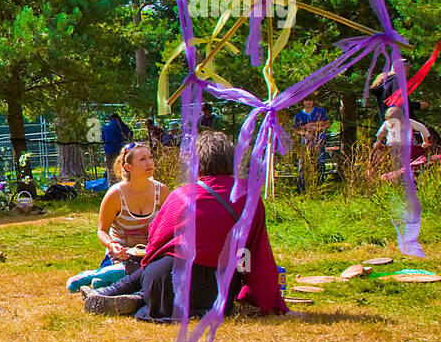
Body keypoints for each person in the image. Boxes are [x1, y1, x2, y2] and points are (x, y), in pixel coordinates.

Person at [82, 130, 287, 321]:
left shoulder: (181, 195)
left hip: (167, 286)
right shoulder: (248, 197)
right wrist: (265, 298)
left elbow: (156, 241)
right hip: (218, 291)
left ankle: (129, 295)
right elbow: (257, 251)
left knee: (159, 266)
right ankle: (134, 297)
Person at [95, 143, 167, 274]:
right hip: (122, 257)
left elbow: (170, 226)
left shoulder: (161, 191)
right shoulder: (115, 194)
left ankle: (101, 279)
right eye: (142, 159)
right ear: (128, 167)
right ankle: (98, 277)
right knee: (131, 274)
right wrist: (112, 245)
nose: (149, 163)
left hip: (151, 255)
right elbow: (102, 231)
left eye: (150, 157)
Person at [292, 95, 331, 189]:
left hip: (319, 141)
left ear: (313, 102)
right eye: (306, 101)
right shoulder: (299, 116)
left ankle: (320, 185)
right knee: (303, 163)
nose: (308, 103)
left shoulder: (320, 112)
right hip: (305, 143)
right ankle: (302, 187)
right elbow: (296, 130)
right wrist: (305, 133)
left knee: (320, 162)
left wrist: (317, 128)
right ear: (303, 102)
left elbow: (328, 124)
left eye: (310, 101)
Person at [100, 113, 133, 187]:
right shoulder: (120, 124)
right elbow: (130, 135)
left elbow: (103, 139)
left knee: (110, 169)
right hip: (119, 150)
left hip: (108, 150)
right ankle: (122, 186)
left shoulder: (105, 126)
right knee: (120, 168)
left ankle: (111, 186)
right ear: (118, 118)